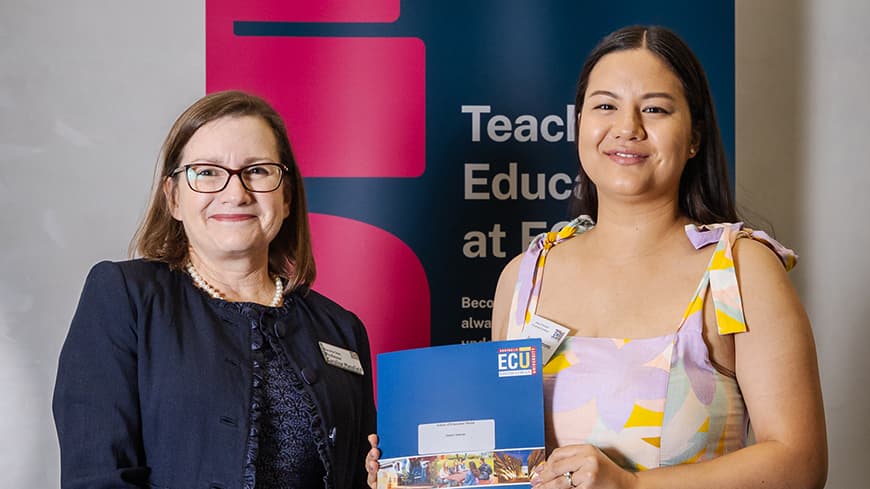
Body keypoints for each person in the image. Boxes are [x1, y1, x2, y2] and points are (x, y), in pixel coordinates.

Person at [366, 24, 827, 489]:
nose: (627, 128)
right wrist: (415, 469)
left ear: (694, 138)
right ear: (580, 124)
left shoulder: (739, 271)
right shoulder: (524, 277)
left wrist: (632, 486)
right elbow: (498, 465)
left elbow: (800, 462)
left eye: (655, 109)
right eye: (605, 106)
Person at [53, 90, 376, 489]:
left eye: (257, 170)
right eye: (207, 172)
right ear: (173, 198)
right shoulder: (126, 297)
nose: (236, 193)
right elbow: (98, 477)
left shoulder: (340, 328)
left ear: (287, 196)